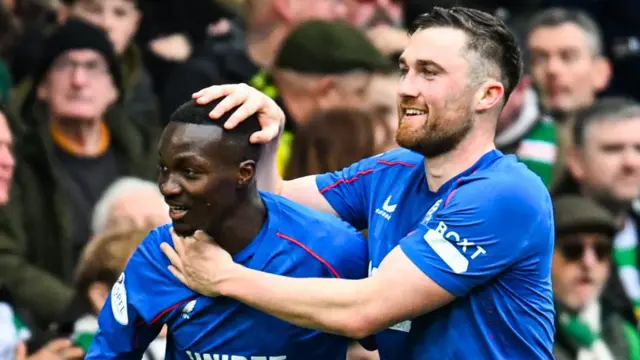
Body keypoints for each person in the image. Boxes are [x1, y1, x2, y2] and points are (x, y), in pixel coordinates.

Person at [162, 6, 555, 359]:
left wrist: (226, 278)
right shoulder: (393, 170)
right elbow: (270, 200)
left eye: (429, 73)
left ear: (487, 95)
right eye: (406, 69)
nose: (406, 88)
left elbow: (364, 310)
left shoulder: (506, 193)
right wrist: (268, 134)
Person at [86, 99, 368, 359]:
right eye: (164, 169)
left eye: (190, 172)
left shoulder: (333, 248)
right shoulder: (161, 254)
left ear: (244, 173)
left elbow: (388, 342)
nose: (168, 187)